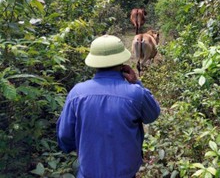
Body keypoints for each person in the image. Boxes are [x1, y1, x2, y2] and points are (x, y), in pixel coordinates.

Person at [56, 35, 160, 178]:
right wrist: (136, 82)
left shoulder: (77, 93)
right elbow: (152, 115)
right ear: (122, 63)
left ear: (94, 63)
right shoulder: (135, 94)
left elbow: (64, 136)